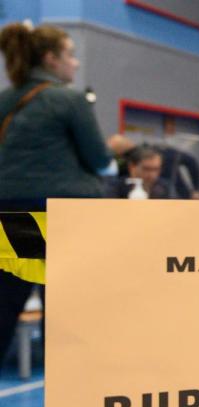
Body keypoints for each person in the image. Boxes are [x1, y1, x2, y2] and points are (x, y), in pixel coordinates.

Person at [0, 22, 111, 368]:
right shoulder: (69, 99)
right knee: (65, 305)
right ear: (50, 59)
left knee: (8, 300)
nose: (75, 63)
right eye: (70, 55)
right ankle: (69, 390)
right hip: (63, 213)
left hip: (14, 209)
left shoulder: (5, 99)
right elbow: (100, 159)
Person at [107, 145, 175, 199]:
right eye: (146, 169)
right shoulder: (116, 187)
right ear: (132, 167)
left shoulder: (166, 188)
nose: (151, 174)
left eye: (156, 169)